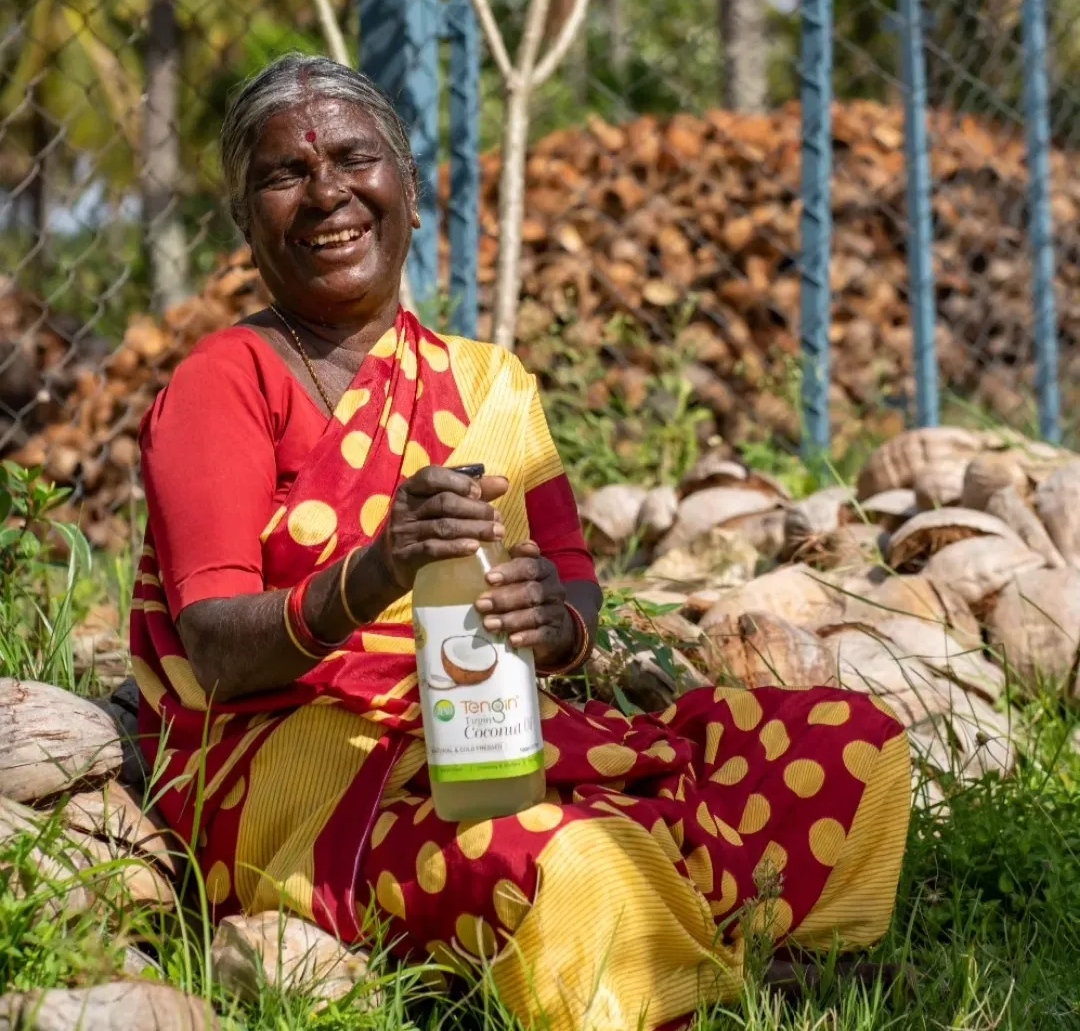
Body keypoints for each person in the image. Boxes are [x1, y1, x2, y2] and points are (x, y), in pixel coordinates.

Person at [131, 53, 910, 1031]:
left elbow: (573, 584)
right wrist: (372, 574)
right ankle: (686, 956)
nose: (327, 191)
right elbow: (215, 650)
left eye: (355, 160)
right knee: (575, 862)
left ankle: (749, 956)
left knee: (852, 746)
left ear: (409, 193)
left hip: (478, 733)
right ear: (247, 224)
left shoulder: (488, 382)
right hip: (297, 776)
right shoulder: (225, 381)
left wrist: (558, 625)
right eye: (285, 174)